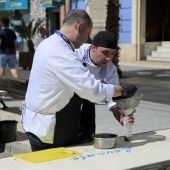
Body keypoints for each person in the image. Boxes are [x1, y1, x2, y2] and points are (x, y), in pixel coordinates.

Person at [21, 9, 137, 151]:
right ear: (79, 27)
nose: (86, 40)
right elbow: (92, 90)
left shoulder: (49, 43)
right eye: (87, 34)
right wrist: (122, 90)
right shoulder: (62, 52)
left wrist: (120, 112)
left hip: (56, 118)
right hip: (49, 126)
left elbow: (110, 99)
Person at [75, 31, 136, 141]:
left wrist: (121, 118)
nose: (109, 58)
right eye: (105, 52)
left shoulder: (110, 69)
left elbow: (114, 99)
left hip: (87, 106)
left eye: (112, 54)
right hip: (66, 104)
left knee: (86, 141)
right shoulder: (76, 53)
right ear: (93, 48)